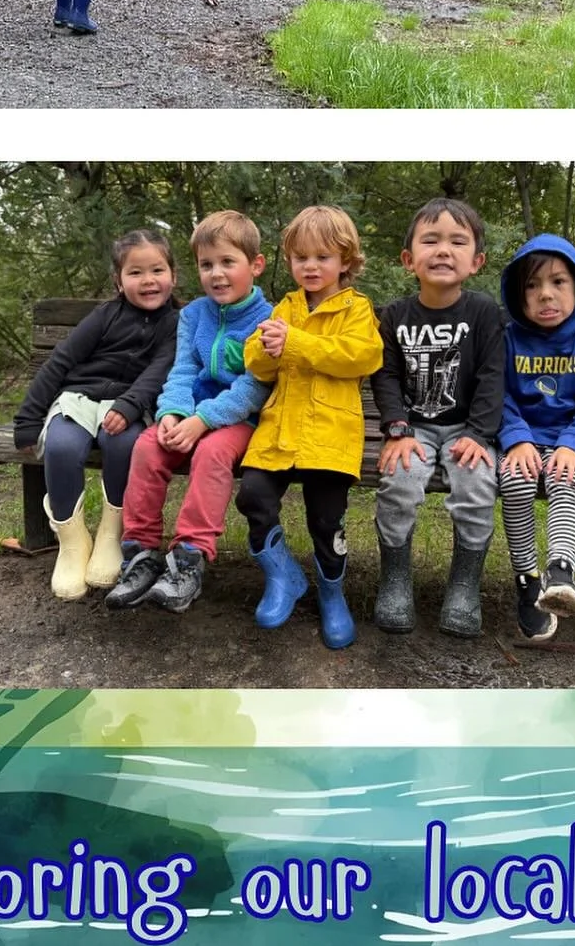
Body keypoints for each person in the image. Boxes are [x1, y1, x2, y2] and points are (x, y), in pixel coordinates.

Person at [105, 212, 272, 616]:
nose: (216, 274)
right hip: (190, 415)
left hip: (240, 420)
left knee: (212, 454)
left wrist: (204, 421)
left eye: (227, 262)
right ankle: (141, 554)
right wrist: (173, 413)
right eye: (206, 264)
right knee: (147, 446)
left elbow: (255, 386)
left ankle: (188, 560)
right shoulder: (193, 315)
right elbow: (181, 369)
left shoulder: (268, 319)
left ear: (256, 264)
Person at [236, 207, 383, 649]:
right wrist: (266, 347)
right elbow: (256, 363)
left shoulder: (356, 309)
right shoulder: (286, 306)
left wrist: (295, 342)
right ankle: (283, 576)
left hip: (330, 436)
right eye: (301, 258)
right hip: (280, 430)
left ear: (346, 261)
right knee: (252, 495)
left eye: (322, 257)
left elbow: (362, 356)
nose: (311, 266)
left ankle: (332, 595)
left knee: (326, 519)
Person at [13, 231, 180, 602]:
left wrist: (130, 405)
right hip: (78, 398)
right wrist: (28, 418)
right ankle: (72, 543)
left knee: (123, 445)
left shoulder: (175, 324)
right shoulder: (105, 316)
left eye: (157, 269)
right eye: (136, 272)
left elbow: (159, 370)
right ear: (119, 282)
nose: (148, 280)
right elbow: (61, 361)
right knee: (60, 448)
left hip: (128, 405)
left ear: (173, 275)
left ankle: (110, 533)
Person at [371, 198, 505, 639]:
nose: (443, 250)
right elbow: (385, 375)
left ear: (476, 261)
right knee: (400, 481)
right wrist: (396, 429)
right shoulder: (394, 315)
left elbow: (491, 375)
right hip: (414, 428)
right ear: (409, 259)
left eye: (457, 242)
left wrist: (480, 434)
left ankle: (464, 586)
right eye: (430, 241)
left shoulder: (483, 312)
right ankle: (395, 581)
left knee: (477, 483)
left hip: (468, 429)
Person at [498, 236, 575, 640]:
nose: (545, 294)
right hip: (522, 440)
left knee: (567, 478)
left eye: (558, 282)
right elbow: (499, 396)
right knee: (515, 480)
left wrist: (573, 445)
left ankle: (561, 573)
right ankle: (528, 579)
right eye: (532, 285)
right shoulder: (509, 339)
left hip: (570, 440)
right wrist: (516, 439)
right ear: (519, 294)